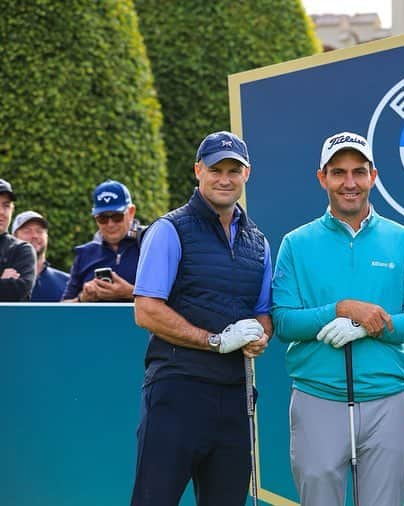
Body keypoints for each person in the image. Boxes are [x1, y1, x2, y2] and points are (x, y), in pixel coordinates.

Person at [272, 131, 404, 505]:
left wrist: (369, 325)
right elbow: (284, 321)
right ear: (322, 178)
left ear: (373, 176)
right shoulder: (296, 243)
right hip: (318, 397)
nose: (349, 183)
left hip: (387, 399)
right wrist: (339, 310)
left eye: (358, 172)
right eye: (338, 172)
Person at [129, 131, 272, 506]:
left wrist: (260, 335)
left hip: (235, 396)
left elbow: (262, 312)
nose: (225, 178)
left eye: (233, 170)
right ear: (198, 171)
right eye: (215, 169)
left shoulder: (258, 242)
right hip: (178, 390)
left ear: (247, 174)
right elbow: (146, 310)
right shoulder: (169, 230)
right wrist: (215, 340)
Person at [63, 180, 141, 302]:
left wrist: (129, 292)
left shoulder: (149, 246)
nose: (110, 224)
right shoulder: (84, 254)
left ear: (131, 213)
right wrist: (82, 299)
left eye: (117, 216)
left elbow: (174, 300)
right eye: (102, 218)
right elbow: (61, 309)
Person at [12, 210, 70, 302]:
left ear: (47, 236)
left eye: (39, 231)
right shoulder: (4, 280)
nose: (34, 235)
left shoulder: (68, 283)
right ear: (13, 238)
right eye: (27, 231)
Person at [0, 179, 36, 301]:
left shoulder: (22, 250)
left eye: (6, 206)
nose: (1, 212)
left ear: (12, 210)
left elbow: (16, 292)